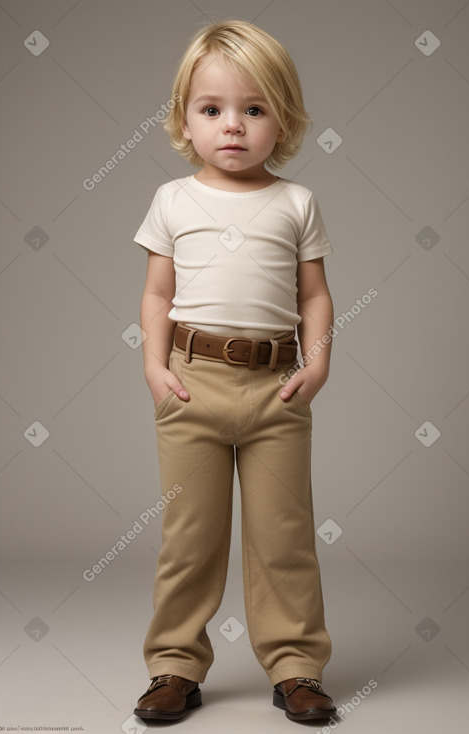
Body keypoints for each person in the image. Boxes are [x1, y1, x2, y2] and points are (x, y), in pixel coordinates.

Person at [132, 19, 337, 724]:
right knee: (188, 538)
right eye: (211, 109)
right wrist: (155, 368)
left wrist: (317, 363)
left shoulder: (295, 202)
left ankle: (296, 667)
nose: (232, 126)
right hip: (192, 385)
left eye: (254, 109)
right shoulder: (172, 201)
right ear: (183, 120)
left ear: (282, 119)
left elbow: (313, 294)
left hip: (275, 389)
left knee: (284, 537)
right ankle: (174, 666)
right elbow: (157, 294)